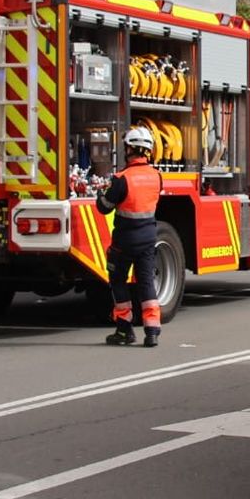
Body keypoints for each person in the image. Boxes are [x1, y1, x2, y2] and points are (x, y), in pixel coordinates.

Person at [97, 125, 163, 347]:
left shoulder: (121, 178)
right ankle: (152, 330)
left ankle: (125, 329)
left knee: (118, 280)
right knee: (146, 283)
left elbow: (105, 207)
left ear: (130, 150)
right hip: (148, 239)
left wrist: (100, 194)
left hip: (124, 241)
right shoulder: (157, 176)